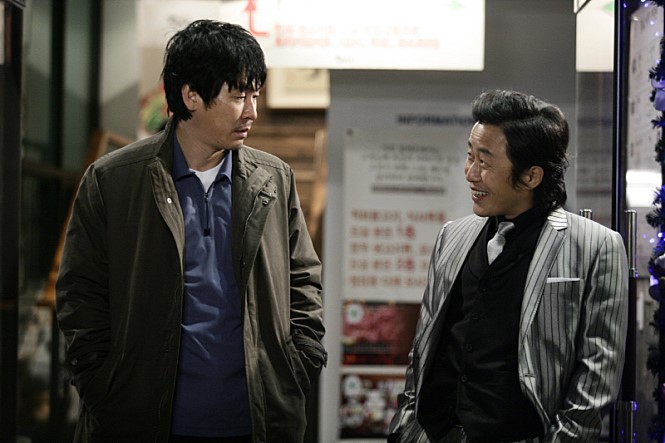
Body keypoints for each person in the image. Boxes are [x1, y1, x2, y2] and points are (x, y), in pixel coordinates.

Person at [56, 20, 327, 443]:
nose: (252, 111)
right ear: (191, 96)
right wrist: (103, 386)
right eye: (238, 96)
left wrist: (297, 367)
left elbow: (304, 280)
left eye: (255, 95)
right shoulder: (114, 180)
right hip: (141, 422)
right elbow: (80, 294)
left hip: (257, 422)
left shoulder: (273, 179)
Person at [388, 89, 628, 442]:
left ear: (531, 176)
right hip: (434, 432)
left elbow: (598, 368)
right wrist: (405, 426)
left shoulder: (596, 246)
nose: (470, 173)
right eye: (470, 156)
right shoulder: (452, 236)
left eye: (484, 162)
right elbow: (424, 344)